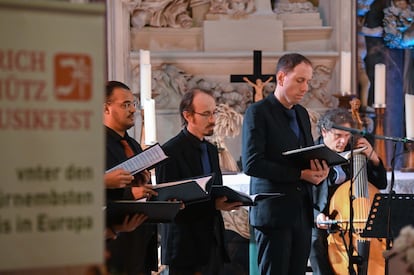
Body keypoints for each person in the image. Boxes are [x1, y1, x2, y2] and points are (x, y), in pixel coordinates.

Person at [242, 53, 330, 275]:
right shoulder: (258, 112)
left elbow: (306, 154)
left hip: (301, 211)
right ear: (281, 78)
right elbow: (252, 164)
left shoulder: (300, 113)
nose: (305, 87)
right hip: (274, 213)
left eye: (308, 81)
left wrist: (321, 168)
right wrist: (301, 174)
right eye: (300, 80)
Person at [155, 88, 242, 275]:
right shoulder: (169, 152)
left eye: (214, 113)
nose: (213, 120)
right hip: (185, 247)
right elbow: (169, 207)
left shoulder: (210, 150)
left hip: (212, 243)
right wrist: (214, 205)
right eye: (206, 114)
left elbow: (215, 189)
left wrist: (228, 201)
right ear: (188, 115)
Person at [310, 108, 387, 275]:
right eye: (338, 136)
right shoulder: (311, 154)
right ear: (324, 131)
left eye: (347, 136)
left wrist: (372, 156)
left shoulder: (355, 150)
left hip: (353, 215)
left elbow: (380, 183)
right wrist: (316, 214)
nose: (343, 142)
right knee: (314, 239)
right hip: (323, 216)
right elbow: (302, 193)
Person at [104, 80, 158, 275]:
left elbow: (137, 185)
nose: (133, 110)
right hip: (112, 243)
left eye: (133, 104)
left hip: (139, 242)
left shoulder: (133, 144)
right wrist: (131, 192)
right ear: (106, 108)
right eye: (125, 104)